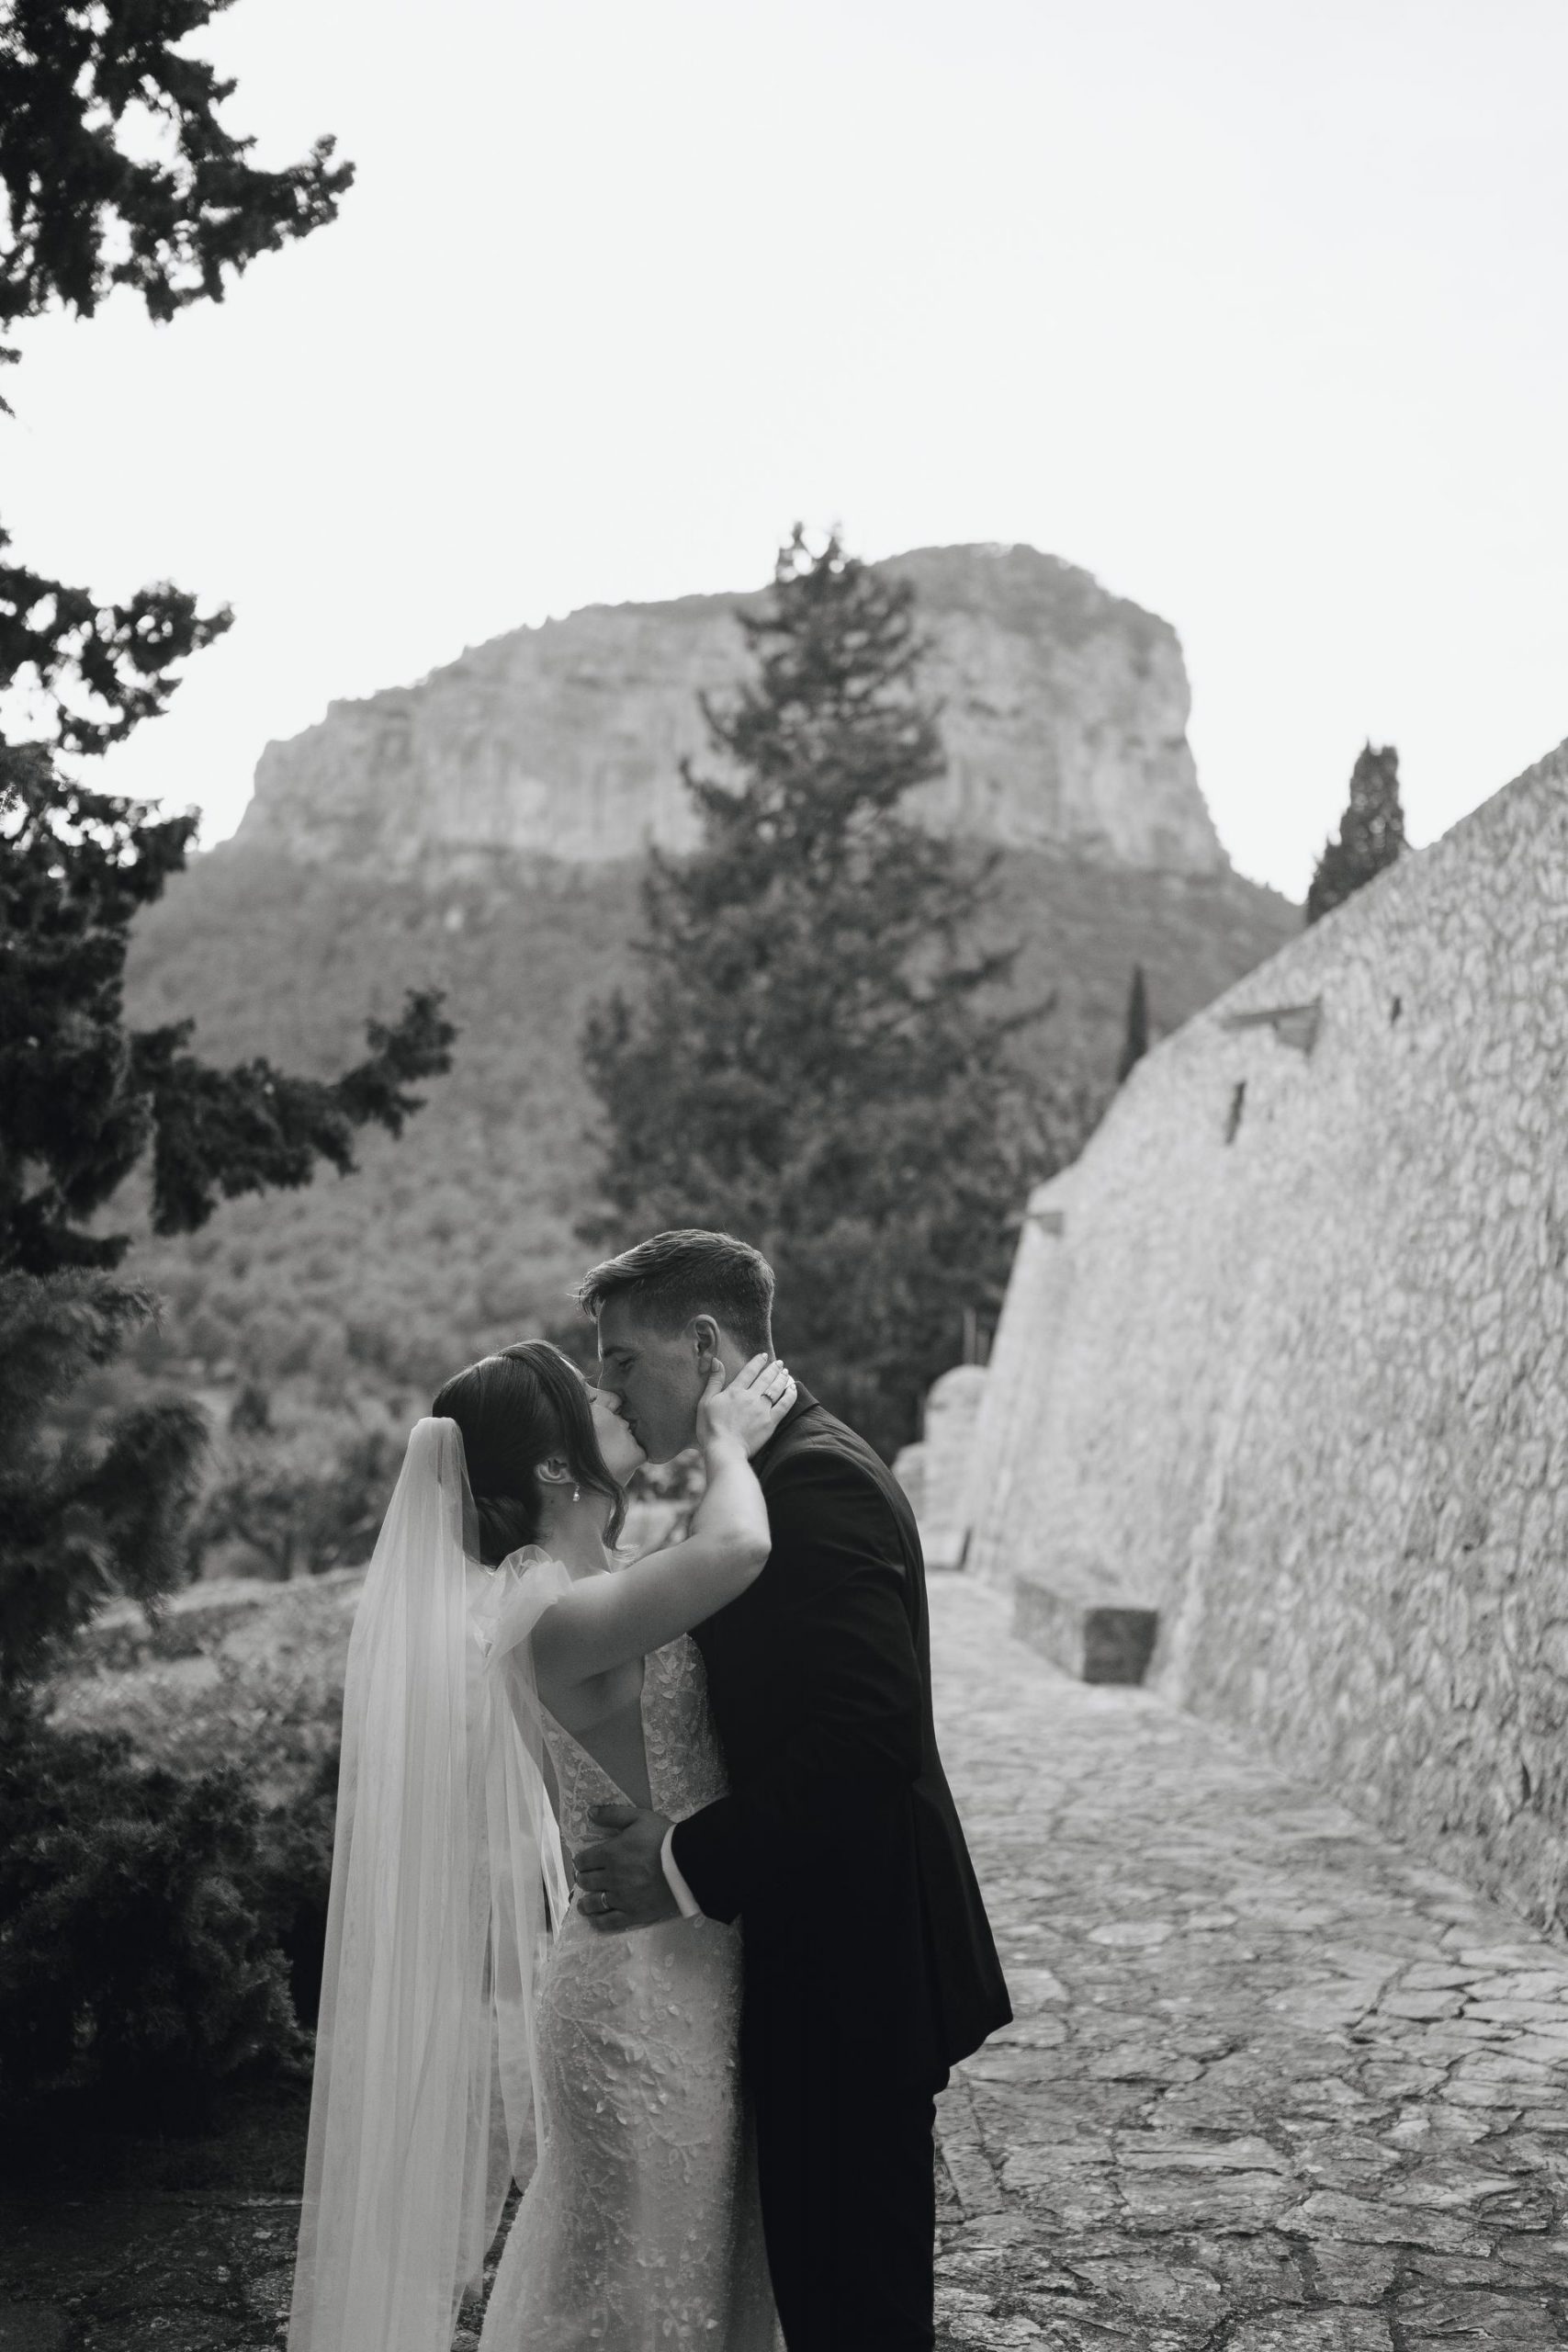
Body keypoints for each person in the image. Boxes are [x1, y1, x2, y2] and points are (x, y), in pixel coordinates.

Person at [287, 1337, 795, 2352]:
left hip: (681, 1970)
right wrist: (726, 1448)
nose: (615, 1394)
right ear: (557, 1465)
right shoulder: (550, 1615)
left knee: (672, 2282)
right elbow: (737, 1550)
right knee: (635, 2299)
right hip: (636, 2005)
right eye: (594, 1393)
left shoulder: (582, 1588)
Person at [574, 1229, 1011, 2352]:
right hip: (815, 1958)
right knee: (824, 2299)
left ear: (705, 1343)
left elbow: (866, 1743)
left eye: (624, 1357)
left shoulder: (816, 1480)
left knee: (854, 2314)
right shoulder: (761, 1475)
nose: (606, 1383)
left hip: (853, 1969)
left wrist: (681, 1863)